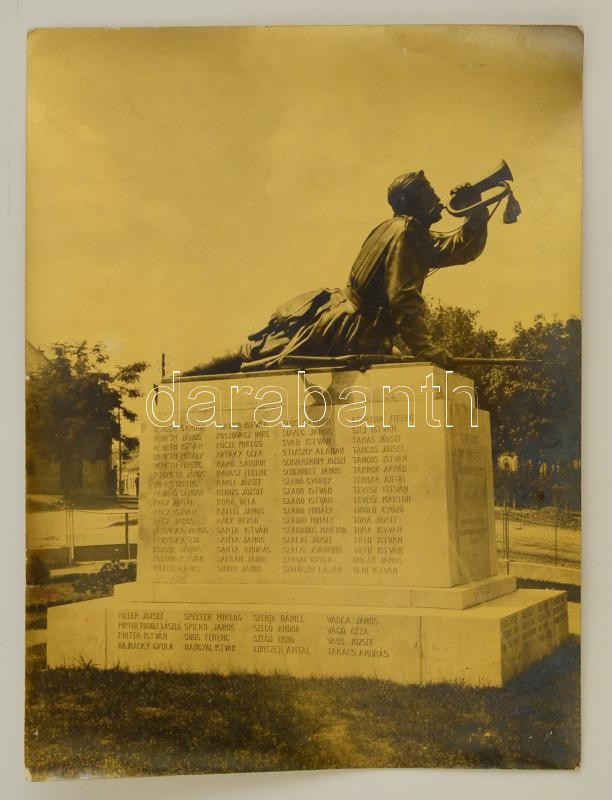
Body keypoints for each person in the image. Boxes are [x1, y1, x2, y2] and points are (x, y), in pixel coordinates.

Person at [184, 170, 489, 375]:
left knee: (260, 349)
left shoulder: (395, 228)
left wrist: (476, 208)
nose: (438, 201)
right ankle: (180, 381)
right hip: (350, 328)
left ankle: (179, 379)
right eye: (428, 195)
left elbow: (459, 249)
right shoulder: (407, 232)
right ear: (409, 202)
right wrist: (426, 349)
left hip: (338, 314)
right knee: (265, 354)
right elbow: (403, 298)